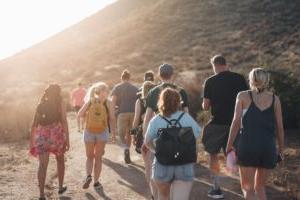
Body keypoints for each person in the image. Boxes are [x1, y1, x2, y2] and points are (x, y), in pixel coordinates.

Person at [226, 68, 284, 200]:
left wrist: (229, 145)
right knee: (260, 187)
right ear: (267, 80)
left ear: (251, 80)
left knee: (248, 189)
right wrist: (281, 150)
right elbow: (280, 127)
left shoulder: (242, 96)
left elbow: (235, 122)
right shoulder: (275, 100)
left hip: (248, 147)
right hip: (268, 148)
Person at [202, 55, 248, 198]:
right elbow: (247, 101)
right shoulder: (239, 78)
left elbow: (205, 107)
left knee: (213, 154)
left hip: (218, 124)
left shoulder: (210, 81)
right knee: (239, 156)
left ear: (213, 65)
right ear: (226, 64)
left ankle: (216, 189)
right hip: (238, 123)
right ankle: (246, 190)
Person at [142, 63, 189, 199]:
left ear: (159, 75)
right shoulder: (182, 91)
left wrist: (146, 139)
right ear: (172, 75)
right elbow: (186, 117)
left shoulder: (153, 92)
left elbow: (147, 118)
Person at [145, 88, 201, 200]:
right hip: (184, 164)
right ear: (178, 101)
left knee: (163, 196)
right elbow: (197, 137)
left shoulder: (156, 120)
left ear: (161, 101)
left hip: (162, 164)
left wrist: (157, 151)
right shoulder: (186, 117)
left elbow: (147, 142)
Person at [30, 84, 69, 200]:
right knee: (60, 160)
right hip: (56, 134)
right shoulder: (60, 103)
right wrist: (67, 138)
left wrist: (31, 142)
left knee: (42, 165)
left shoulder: (40, 105)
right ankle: (61, 187)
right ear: (58, 93)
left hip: (42, 135)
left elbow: (34, 124)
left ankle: (41, 195)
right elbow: (64, 120)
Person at [78, 82, 116, 189]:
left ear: (96, 91)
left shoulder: (90, 101)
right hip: (102, 132)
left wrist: (88, 115)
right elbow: (112, 118)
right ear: (107, 92)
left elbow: (79, 114)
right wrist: (113, 134)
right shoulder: (109, 103)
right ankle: (96, 182)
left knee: (90, 157)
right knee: (98, 158)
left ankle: (88, 175)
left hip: (89, 131)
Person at [131, 81, 156, 197]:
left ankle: (153, 192)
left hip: (144, 134)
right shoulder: (159, 100)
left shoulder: (139, 101)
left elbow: (136, 119)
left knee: (148, 165)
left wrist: (133, 134)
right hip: (159, 134)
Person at [111, 70, 138, 164]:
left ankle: (125, 148)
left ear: (121, 78)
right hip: (133, 113)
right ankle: (128, 151)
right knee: (129, 133)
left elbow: (113, 101)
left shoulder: (117, 87)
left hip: (122, 113)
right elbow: (139, 102)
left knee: (121, 135)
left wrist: (112, 113)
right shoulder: (135, 88)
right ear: (129, 78)